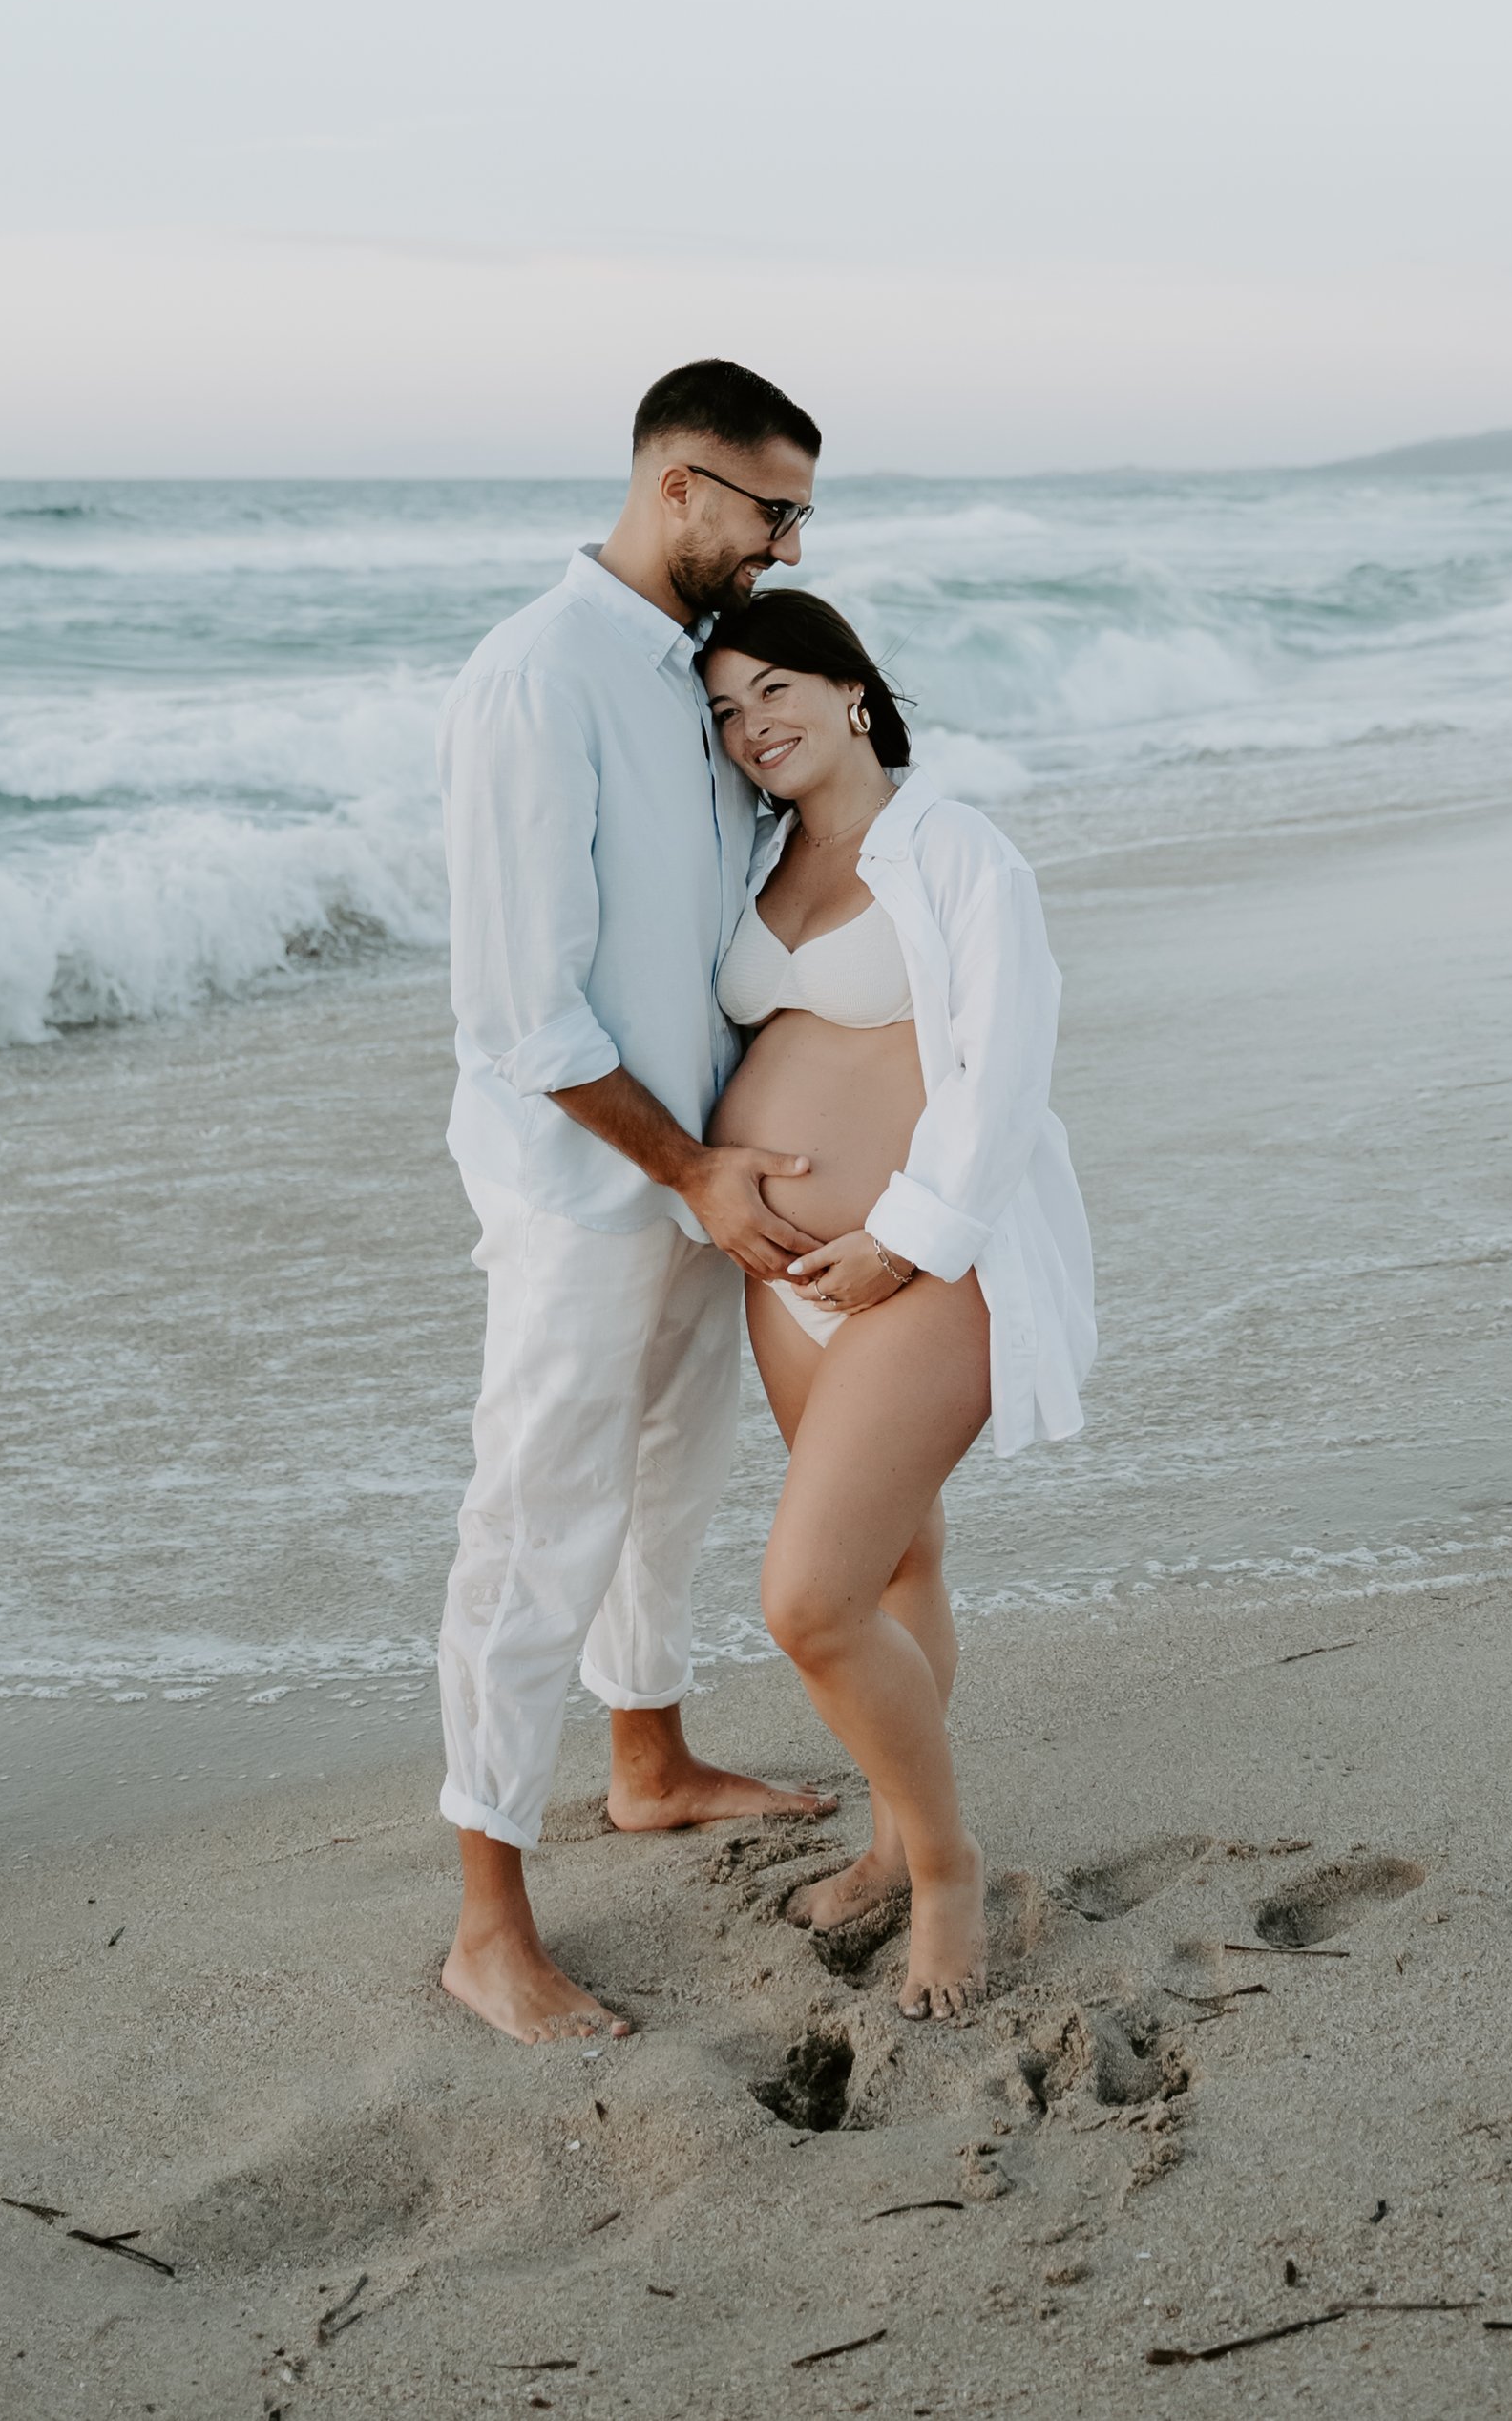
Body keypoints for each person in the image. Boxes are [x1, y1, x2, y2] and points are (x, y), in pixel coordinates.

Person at [434, 359, 842, 2045]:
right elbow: (522, 1015)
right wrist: (682, 1168)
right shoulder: (539, 676)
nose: (786, 546)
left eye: (801, 516)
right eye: (770, 511)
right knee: (538, 1522)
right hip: (590, 1185)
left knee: (672, 1484)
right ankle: (487, 1922)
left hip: (697, 1170)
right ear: (678, 483)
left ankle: (648, 1760)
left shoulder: (698, 676)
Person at [700, 590, 1094, 2020]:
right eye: (727, 710)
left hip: (926, 1267)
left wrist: (903, 1240)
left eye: (778, 687)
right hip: (789, 1284)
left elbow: (1002, 1070)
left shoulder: (954, 847)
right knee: (893, 1567)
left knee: (808, 1602)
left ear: (853, 688)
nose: (755, 725)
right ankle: (885, 1836)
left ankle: (943, 1867)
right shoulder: (757, 859)